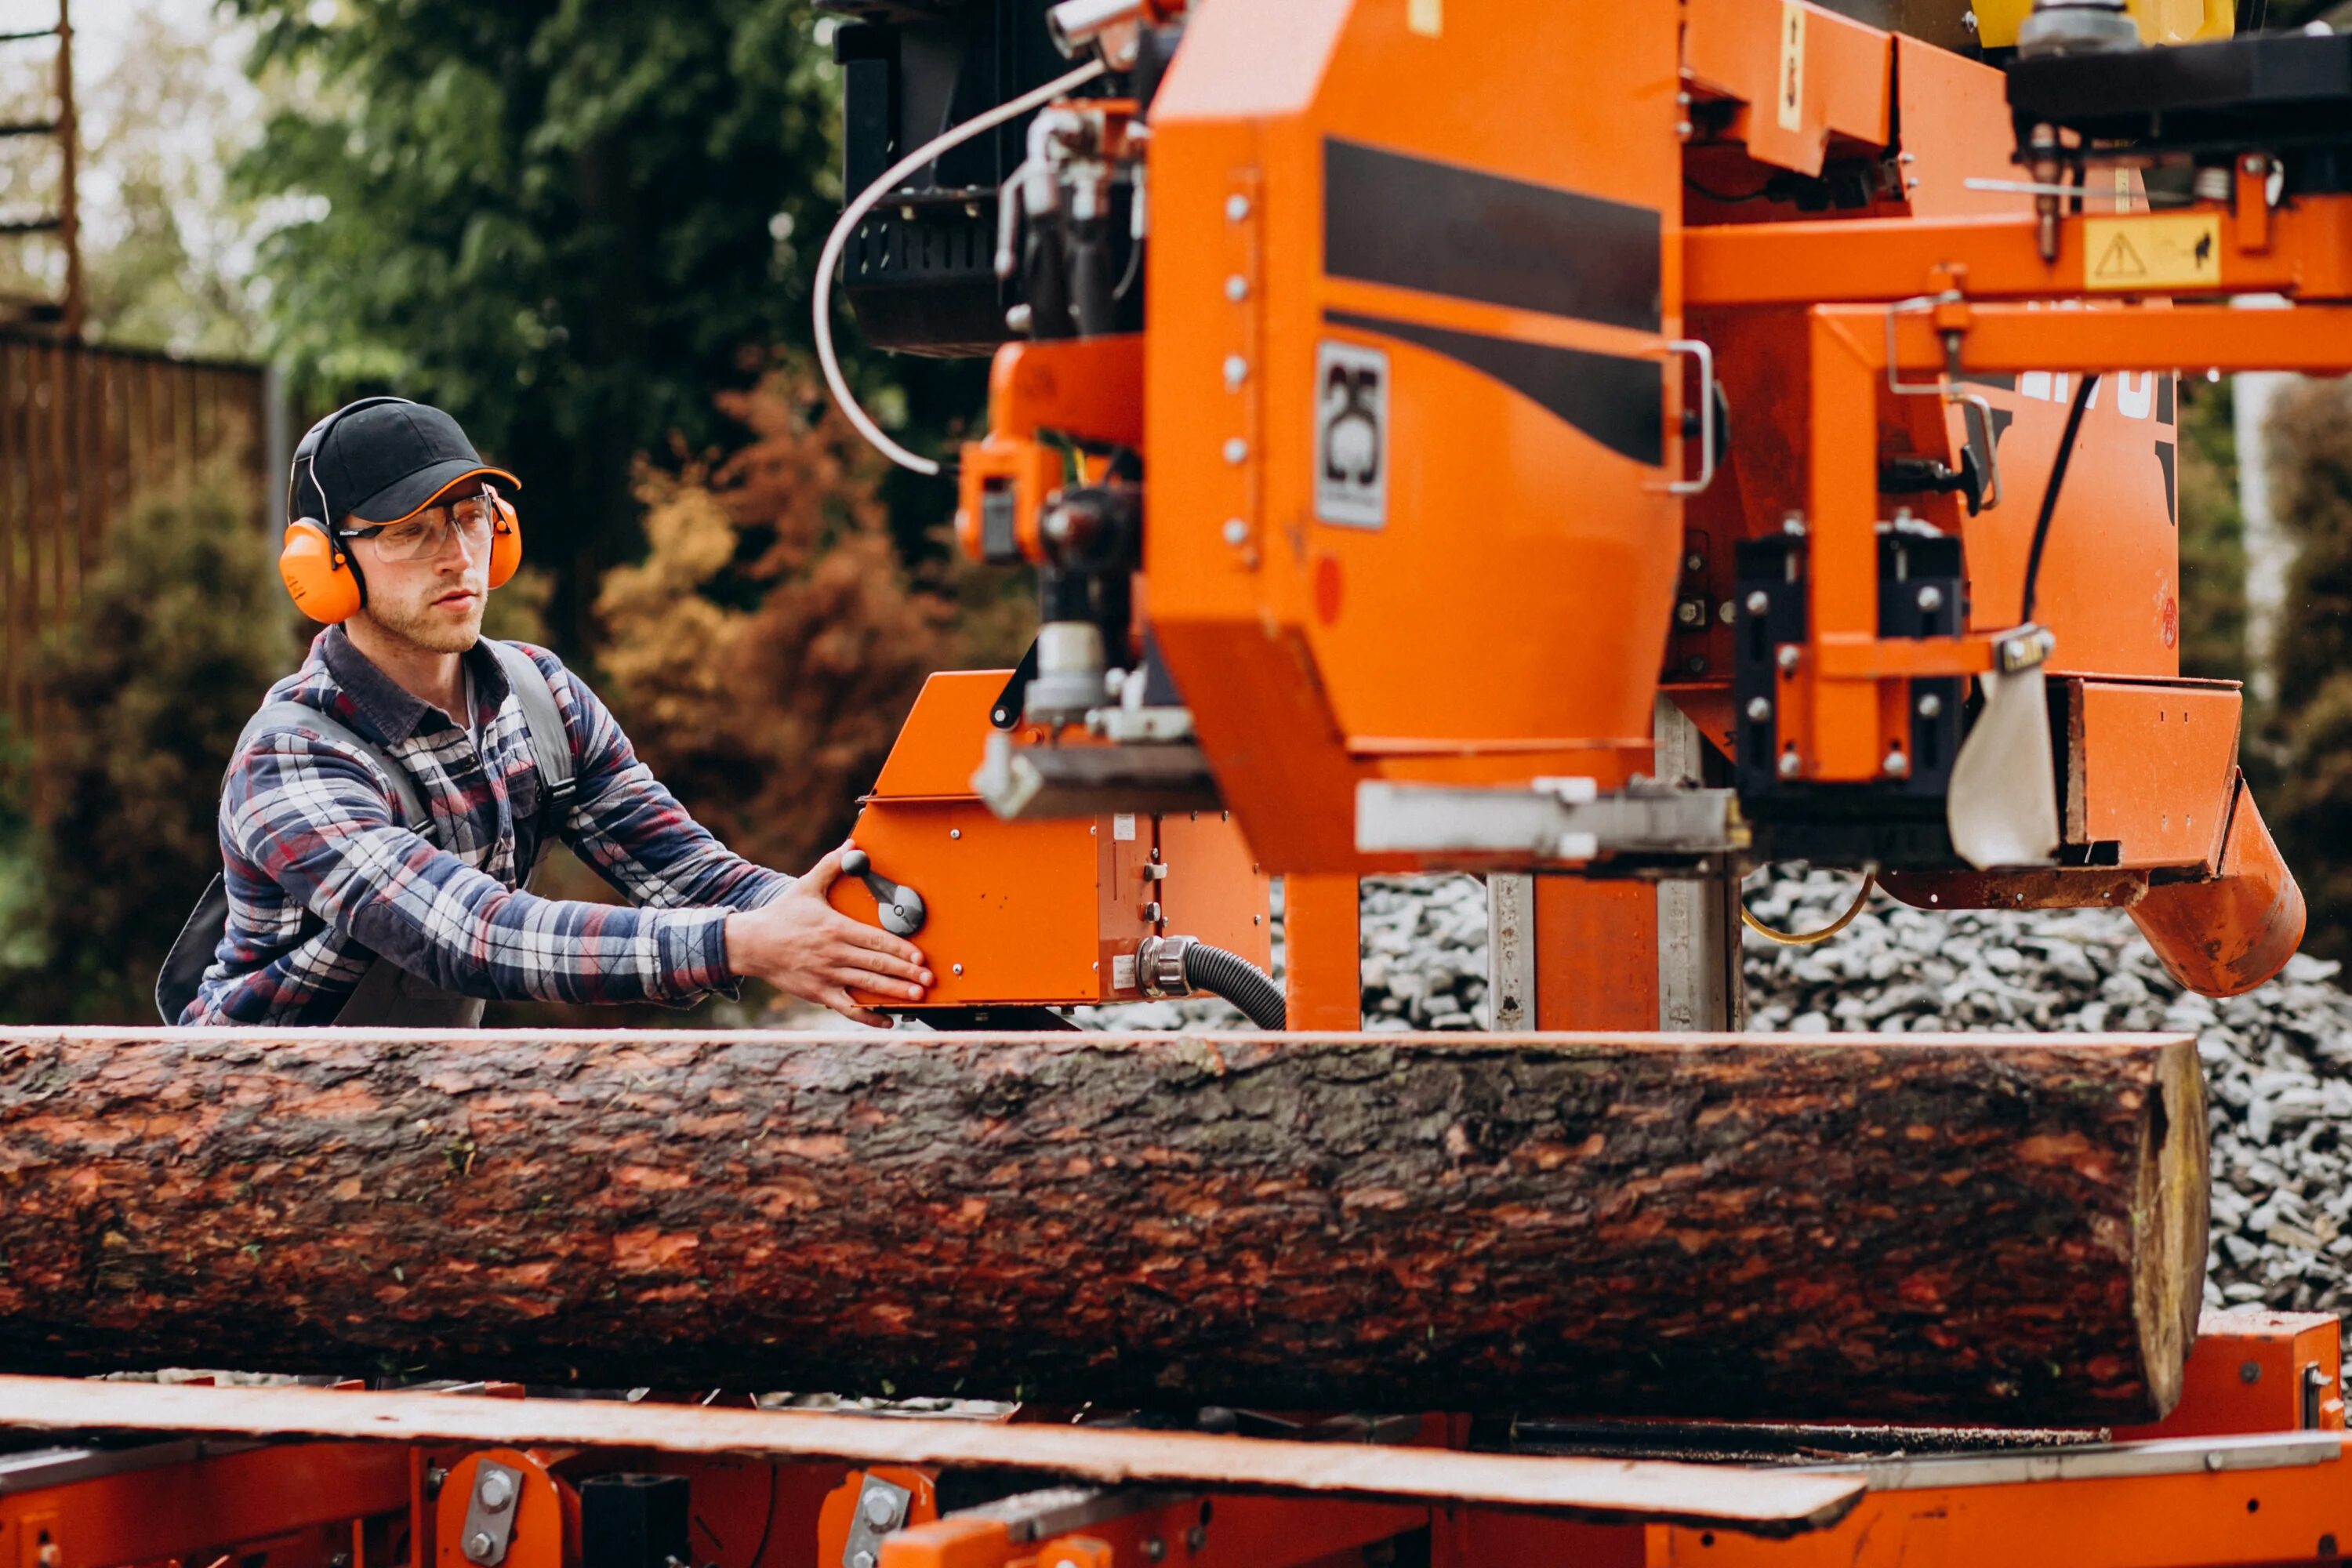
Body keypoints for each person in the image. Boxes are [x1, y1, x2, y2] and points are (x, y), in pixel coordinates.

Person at [171, 396, 930, 1027]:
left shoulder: (540, 700)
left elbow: (695, 878)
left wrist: (857, 927)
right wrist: (744, 944)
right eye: (412, 531)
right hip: (248, 1135)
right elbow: (475, 933)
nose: (457, 554)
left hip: (404, 1121)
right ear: (327, 567)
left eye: (470, 517)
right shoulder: (292, 756)